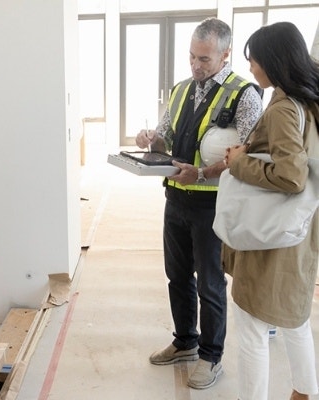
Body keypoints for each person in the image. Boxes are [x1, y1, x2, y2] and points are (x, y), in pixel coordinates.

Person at [135, 17, 263, 389]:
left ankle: (211, 356)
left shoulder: (244, 95)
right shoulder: (180, 90)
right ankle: (185, 342)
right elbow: (167, 136)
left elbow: (251, 154)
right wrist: (151, 140)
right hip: (175, 198)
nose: (195, 65)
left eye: (204, 59)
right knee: (177, 276)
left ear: (225, 55)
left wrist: (204, 173)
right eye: (192, 56)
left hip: (213, 206)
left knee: (210, 283)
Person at [223, 21, 319, 400]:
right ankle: (305, 391)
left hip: (270, 234)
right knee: (295, 317)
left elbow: (291, 176)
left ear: (274, 61)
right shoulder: (310, 99)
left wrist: (237, 162)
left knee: (251, 327)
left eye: (254, 60)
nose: (251, 68)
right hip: (300, 229)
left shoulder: (282, 107)